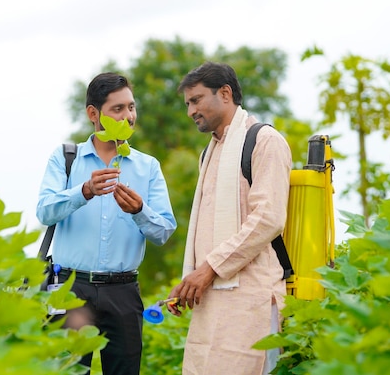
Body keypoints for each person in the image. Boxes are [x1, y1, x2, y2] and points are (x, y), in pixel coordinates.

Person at [36, 72, 177, 375]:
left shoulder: (147, 166)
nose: (128, 117)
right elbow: (45, 212)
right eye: (118, 109)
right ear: (93, 113)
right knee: (66, 370)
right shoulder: (65, 158)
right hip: (70, 290)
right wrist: (83, 191)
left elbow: (164, 230)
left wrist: (140, 210)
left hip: (123, 292)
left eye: (131, 107)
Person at [167, 61, 292, 375]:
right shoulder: (209, 153)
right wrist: (191, 280)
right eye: (187, 104)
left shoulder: (265, 141)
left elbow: (268, 218)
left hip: (251, 300)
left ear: (224, 93)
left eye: (196, 100)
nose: (190, 111)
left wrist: (208, 269)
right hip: (211, 300)